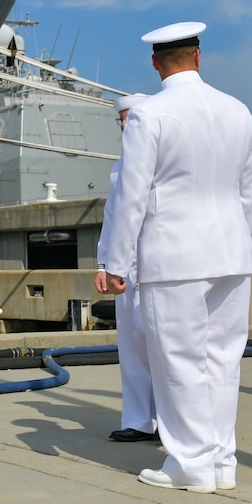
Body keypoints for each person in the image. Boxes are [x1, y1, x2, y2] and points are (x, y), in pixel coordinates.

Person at [99, 22, 252, 494]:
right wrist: (237, 240)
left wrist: (115, 263)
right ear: (198, 55)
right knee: (223, 361)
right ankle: (221, 463)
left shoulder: (150, 115)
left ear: (155, 62)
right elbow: (250, 191)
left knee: (178, 362)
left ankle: (190, 464)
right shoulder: (239, 111)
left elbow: (132, 196)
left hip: (173, 257)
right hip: (231, 254)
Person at [95, 94, 157, 443]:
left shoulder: (161, 159)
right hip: (125, 267)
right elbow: (112, 219)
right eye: (120, 119)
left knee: (159, 345)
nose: (124, 124)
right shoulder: (119, 167)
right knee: (131, 346)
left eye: (129, 117)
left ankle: (168, 419)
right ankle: (138, 419)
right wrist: (104, 262)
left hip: (157, 263)